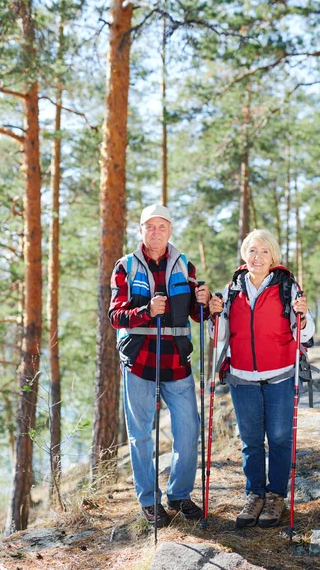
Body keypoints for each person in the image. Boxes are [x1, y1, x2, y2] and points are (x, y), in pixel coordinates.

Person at [109, 204, 211, 527]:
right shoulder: (125, 267)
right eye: (149, 227)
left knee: (188, 429)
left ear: (170, 230)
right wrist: (146, 311)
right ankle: (150, 501)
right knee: (140, 436)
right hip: (138, 362)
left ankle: (179, 494)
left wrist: (206, 301)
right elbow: (115, 316)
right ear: (140, 231)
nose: (156, 232)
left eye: (161, 226)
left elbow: (197, 314)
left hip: (177, 362)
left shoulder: (184, 266)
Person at [209, 228, 315, 529]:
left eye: (265, 251)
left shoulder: (288, 286)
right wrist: (213, 316)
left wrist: (304, 317)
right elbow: (219, 338)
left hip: (280, 375)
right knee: (251, 441)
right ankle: (254, 494)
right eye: (253, 250)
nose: (258, 257)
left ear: (273, 257)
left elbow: (305, 334)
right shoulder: (232, 288)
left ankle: (275, 496)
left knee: (280, 439)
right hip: (242, 376)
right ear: (245, 254)